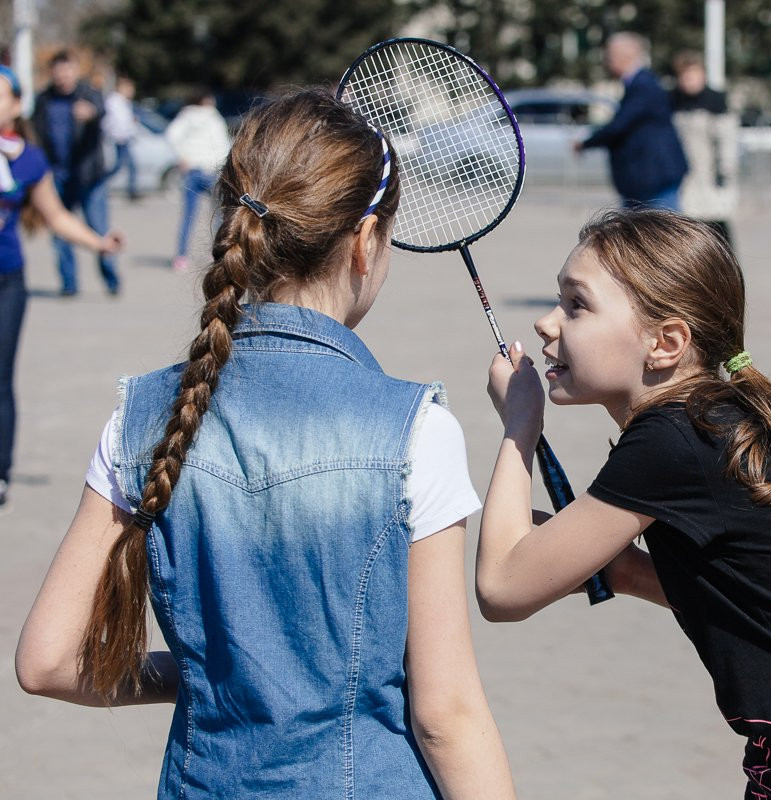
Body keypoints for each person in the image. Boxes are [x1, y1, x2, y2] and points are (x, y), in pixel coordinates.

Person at [16, 89, 516, 800]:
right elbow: (446, 715)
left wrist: (207, 670)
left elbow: (48, 661)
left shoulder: (143, 417)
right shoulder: (414, 429)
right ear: (366, 240)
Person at [478, 208, 771, 800]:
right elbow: (768, 602)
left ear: (666, 342)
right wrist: (625, 572)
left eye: (578, 305)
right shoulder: (713, 419)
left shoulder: (675, 441)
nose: (548, 324)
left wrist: (519, 424)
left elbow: (501, 589)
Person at [0, 64, 122, 512]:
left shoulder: (29, 159)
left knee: (1, 378)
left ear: (16, 105)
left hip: (7, 282)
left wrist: (99, 242)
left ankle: (1, 473)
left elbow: (56, 216)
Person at [32, 49, 118, 296]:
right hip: (57, 176)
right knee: (60, 230)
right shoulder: (44, 99)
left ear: (75, 70)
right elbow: (36, 133)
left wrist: (90, 114)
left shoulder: (88, 94)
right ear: (52, 73)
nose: (63, 76)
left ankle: (111, 279)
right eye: (58, 72)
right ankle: (69, 284)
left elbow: (100, 110)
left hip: (89, 176)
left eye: (67, 70)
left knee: (98, 228)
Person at [575, 32, 688, 211]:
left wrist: (585, 143)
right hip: (645, 179)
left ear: (624, 55)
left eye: (609, 54)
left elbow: (619, 126)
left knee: (662, 235)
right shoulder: (639, 84)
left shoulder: (644, 85)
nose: (606, 60)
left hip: (654, 177)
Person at [670, 50, 739, 249]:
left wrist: (726, 168)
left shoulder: (716, 101)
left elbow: (727, 139)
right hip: (683, 177)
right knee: (688, 228)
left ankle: (725, 272)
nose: (689, 80)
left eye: (694, 75)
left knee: (717, 225)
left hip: (711, 176)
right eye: (685, 76)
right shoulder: (672, 101)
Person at [165, 89, 231, 273]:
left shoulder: (186, 116)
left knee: (188, 216)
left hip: (192, 170)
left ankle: (181, 256)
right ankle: (219, 253)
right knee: (218, 215)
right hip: (210, 171)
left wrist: (183, 156)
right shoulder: (213, 118)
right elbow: (222, 145)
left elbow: (171, 135)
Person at [102, 75, 140, 200]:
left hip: (124, 138)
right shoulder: (114, 102)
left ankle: (132, 190)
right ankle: (100, 184)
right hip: (119, 139)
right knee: (119, 166)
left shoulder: (123, 102)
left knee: (128, 165)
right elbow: (115, 122)